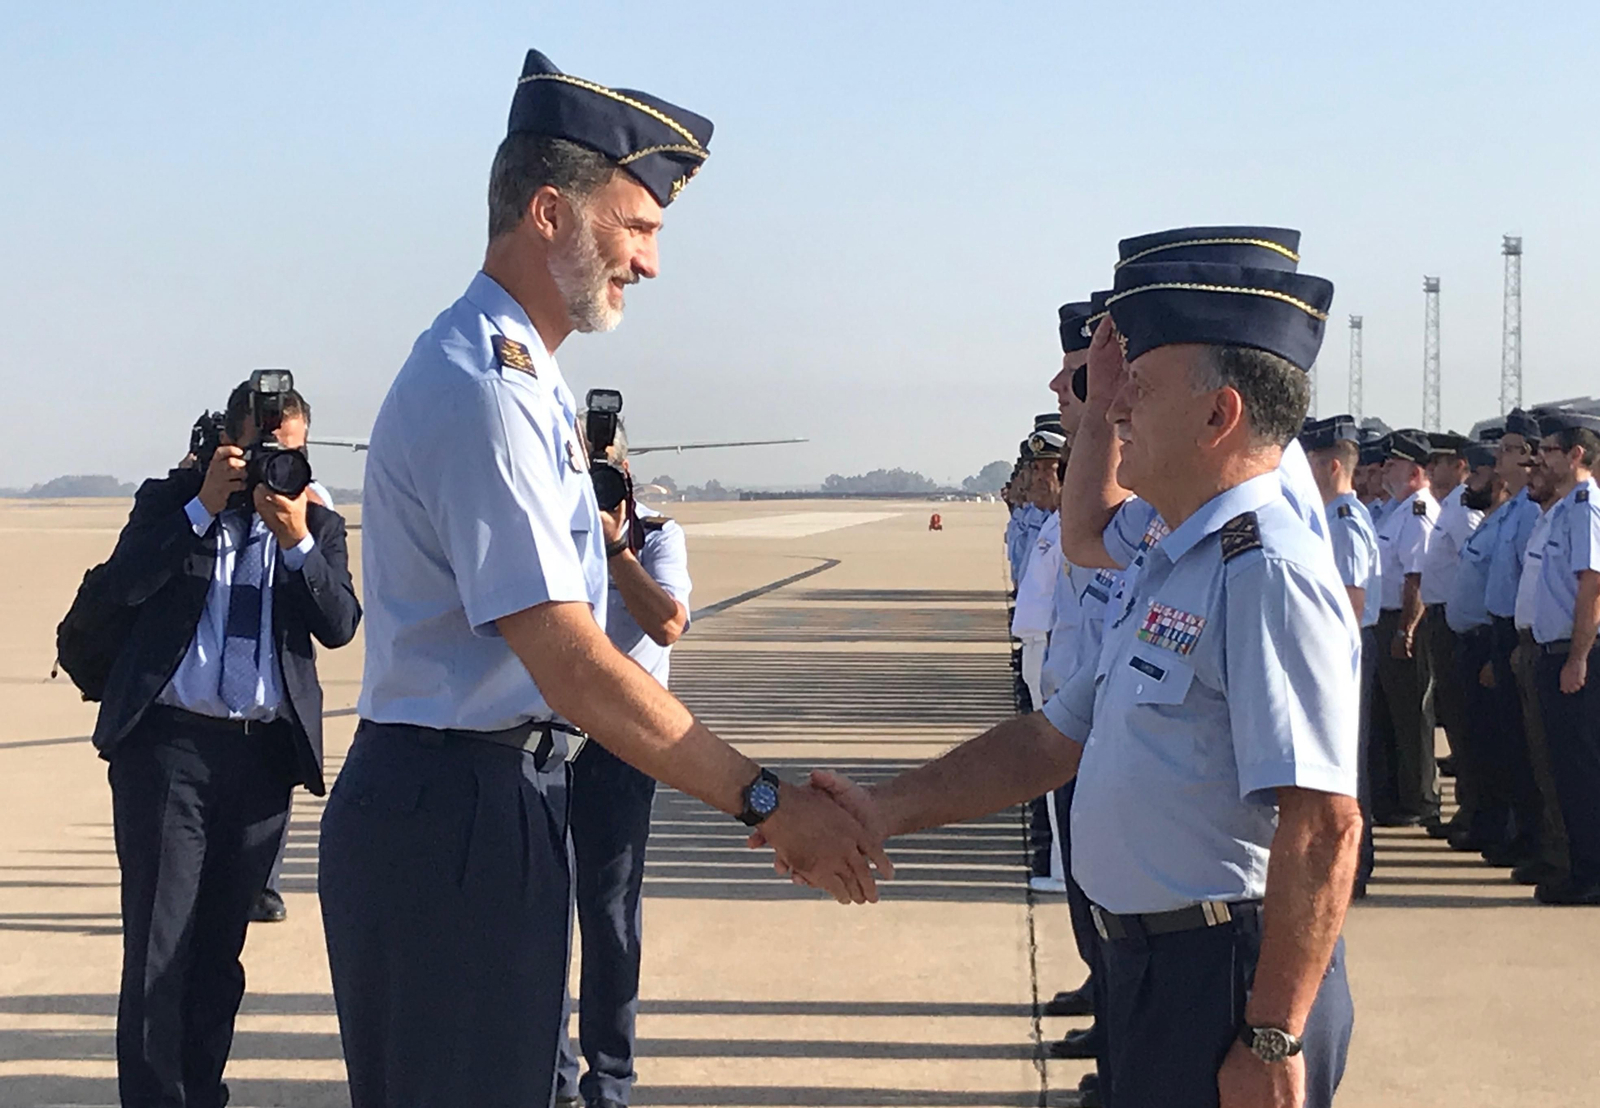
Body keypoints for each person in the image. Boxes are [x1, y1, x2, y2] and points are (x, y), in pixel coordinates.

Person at [317, 49, 890, 1108]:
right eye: (639, 227)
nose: (652, 263)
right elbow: (573, 662)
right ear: (548, 211)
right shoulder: (484, 388)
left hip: (500, 797)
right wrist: (765, 800)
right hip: (452, 812)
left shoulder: (525, 379)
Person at [774, 256, 1360, 1107]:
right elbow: (1052, 738)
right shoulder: (1175, 555)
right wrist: (882, 809)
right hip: (1156, 972)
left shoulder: (1264, 571)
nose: (1114, 408)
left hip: (1228, 980)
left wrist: (1272, 1035)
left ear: (1218, 414)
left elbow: (1323, 825)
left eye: (1140, 389)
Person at [93, 381, 361, 1108]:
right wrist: (201, 504)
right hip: (168, 752)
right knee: (157, 949)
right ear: (228, 443)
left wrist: (297, 539)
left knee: (217, 955)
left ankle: (202, 1094)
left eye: (291, 452)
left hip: (260, 761)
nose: (275, 465)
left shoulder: (318, 521)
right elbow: (124, 585)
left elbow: (340, 624)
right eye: (262, 449)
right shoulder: (170, 501)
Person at [556, 483, 692, 1108]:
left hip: (622, 749)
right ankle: (550, 1074)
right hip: (548, 742)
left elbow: (667, 623)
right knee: (542, 917)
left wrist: (615, 549)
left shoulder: (657, 537)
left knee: (610, 917)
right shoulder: (550, 525)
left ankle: (609, 1077)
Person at [1301, 415, 1380, 896]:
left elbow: (1352, 600)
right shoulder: (1327, 517)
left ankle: (1356, 867)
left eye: (1309, 462)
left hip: (1345, 654)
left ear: (1331, 466)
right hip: (1334, 654)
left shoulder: (1346, 522)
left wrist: (1333, 665)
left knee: (1349, 764)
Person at [1484, 410, 1562, 882]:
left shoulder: (1539, 511)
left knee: (1542, 757)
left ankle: (1543, 843)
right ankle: (1531, 837)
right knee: (1519, 748)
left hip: (1534, 640)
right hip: (1511, 635)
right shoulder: (1516, 508)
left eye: (1512, 449)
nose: (1502, 458)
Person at [1527, 411, 1600, 905]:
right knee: (1566, 771)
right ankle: (1580, 866)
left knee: (1582, 771)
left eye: (1549, 450)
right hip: (1553, 652)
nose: (1541, 459)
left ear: (1576, 454)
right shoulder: (1563, 508)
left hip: (1575, 657)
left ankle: (1589, 874)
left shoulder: (1585, 505)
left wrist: (1578, 657)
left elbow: (1591, 584)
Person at [1370, 429, 1440, 829]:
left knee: (1412, 714)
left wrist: (1406, 629)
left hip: (1403, 621)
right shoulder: (1396, 510)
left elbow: (1417, 578)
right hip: (1383, 620)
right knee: (1388, 714)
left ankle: (1421, 799)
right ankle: (1396, 797)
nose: (1385, 470)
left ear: (1414, 471)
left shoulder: (1418, 511)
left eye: (1393, 464)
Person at [1418, 434, 1481, 837]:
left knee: (1466, 725)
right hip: (1442, 617)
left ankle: (1474, 812)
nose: (1431, 468)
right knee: (1457, 723)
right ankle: (1469, 812)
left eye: (1440, 461)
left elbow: (1471, 565)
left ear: (1460, 465)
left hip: (1456, 622)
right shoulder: (1449, 507)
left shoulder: (1462, 508)